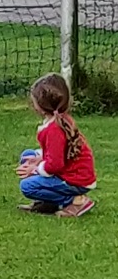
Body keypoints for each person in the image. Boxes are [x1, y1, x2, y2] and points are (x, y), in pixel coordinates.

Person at [17, 74, 96, 215]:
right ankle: (47, 203)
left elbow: (55, 165)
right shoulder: (58, 120)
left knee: (27, 187)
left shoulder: (55, 129)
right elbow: (56, 152)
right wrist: (39, 158)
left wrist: (35, 169)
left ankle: (75, 200)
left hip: (74, 179)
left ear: (41, 105)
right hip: (67, 171)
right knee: (27, 155)